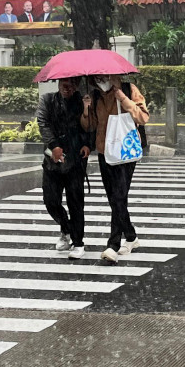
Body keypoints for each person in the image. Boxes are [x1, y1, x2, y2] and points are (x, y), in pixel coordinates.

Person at [80, 74, 150, 264]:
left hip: (125, 151)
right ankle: (131, 235)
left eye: (105, 76)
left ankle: (113, 245)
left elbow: (143, 117)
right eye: (97, 78)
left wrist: (124, 99)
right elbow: (90, 126)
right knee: (114, 198)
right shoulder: (95, 97)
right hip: (105, 152)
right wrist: (86, 110)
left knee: (119, 196)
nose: (101, 80)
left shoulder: (129, 89)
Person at [37, 77, 92, 259]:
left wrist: (87, 144)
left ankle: (78, 242)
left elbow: (90, 126)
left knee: (75, 202)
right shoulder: (47, 100)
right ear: (59, 83)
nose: (67, 88)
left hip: (76, 158)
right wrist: (54, 145)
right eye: (64, 84)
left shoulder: (82, 101)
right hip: (53, 158)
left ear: (77, 86)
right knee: (50, 200)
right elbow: (42, 122)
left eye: (72, 84)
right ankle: (66, 229)